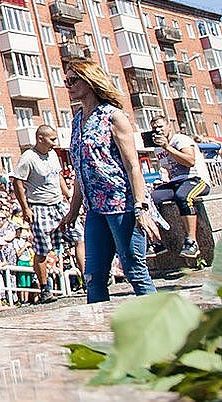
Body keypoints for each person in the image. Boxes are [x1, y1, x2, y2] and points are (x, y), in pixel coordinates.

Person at [60, 60, 160, 302]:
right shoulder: (77, 121)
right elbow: (81, 171)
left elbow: (133, 166)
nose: (69, 86)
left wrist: (141, 207)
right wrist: (72, 211)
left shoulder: (113, 117)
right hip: (95, 210)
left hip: (122, 206)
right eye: (66, 81)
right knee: (93, 277)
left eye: (74, 80)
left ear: (90, 81)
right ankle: (101, 334)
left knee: (134, 270)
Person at [10, 125, 85, 302]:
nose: (54, 143)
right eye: (51, 139)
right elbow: (17, 183)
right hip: (39, 206)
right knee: (42, 249)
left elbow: (57, 176)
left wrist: (68, 196)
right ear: (40, 139)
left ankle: (87, 280)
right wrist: (25, 208)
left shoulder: (52, 154)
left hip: (58, 204)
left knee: (78, 237)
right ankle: (45, 289)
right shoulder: (28, 158)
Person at [150, 114, 210, 258]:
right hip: (175, 182)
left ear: (168, 126)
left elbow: (189, 161)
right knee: (149, 199)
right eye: (154, 128)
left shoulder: (181, 140)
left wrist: (167, 147)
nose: (158, 130)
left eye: (160, 126)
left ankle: (192, 242)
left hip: (196, 179)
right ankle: (158, 242)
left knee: (183, 196)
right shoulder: (157, 148)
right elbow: (169, 169)